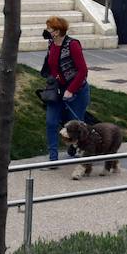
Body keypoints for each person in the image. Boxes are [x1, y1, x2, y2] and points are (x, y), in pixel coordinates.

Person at [41, 15, 90, 164]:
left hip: (77, 91)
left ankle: (74, 148)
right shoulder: (51, 43)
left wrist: (71, 90)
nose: (46, 30)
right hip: (56, 90)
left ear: (56, 31)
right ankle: (53, 156)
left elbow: (83, 71)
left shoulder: (72, 45)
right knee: (51, 121)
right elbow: (53, 66)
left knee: (74, 123)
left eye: (49, 28)